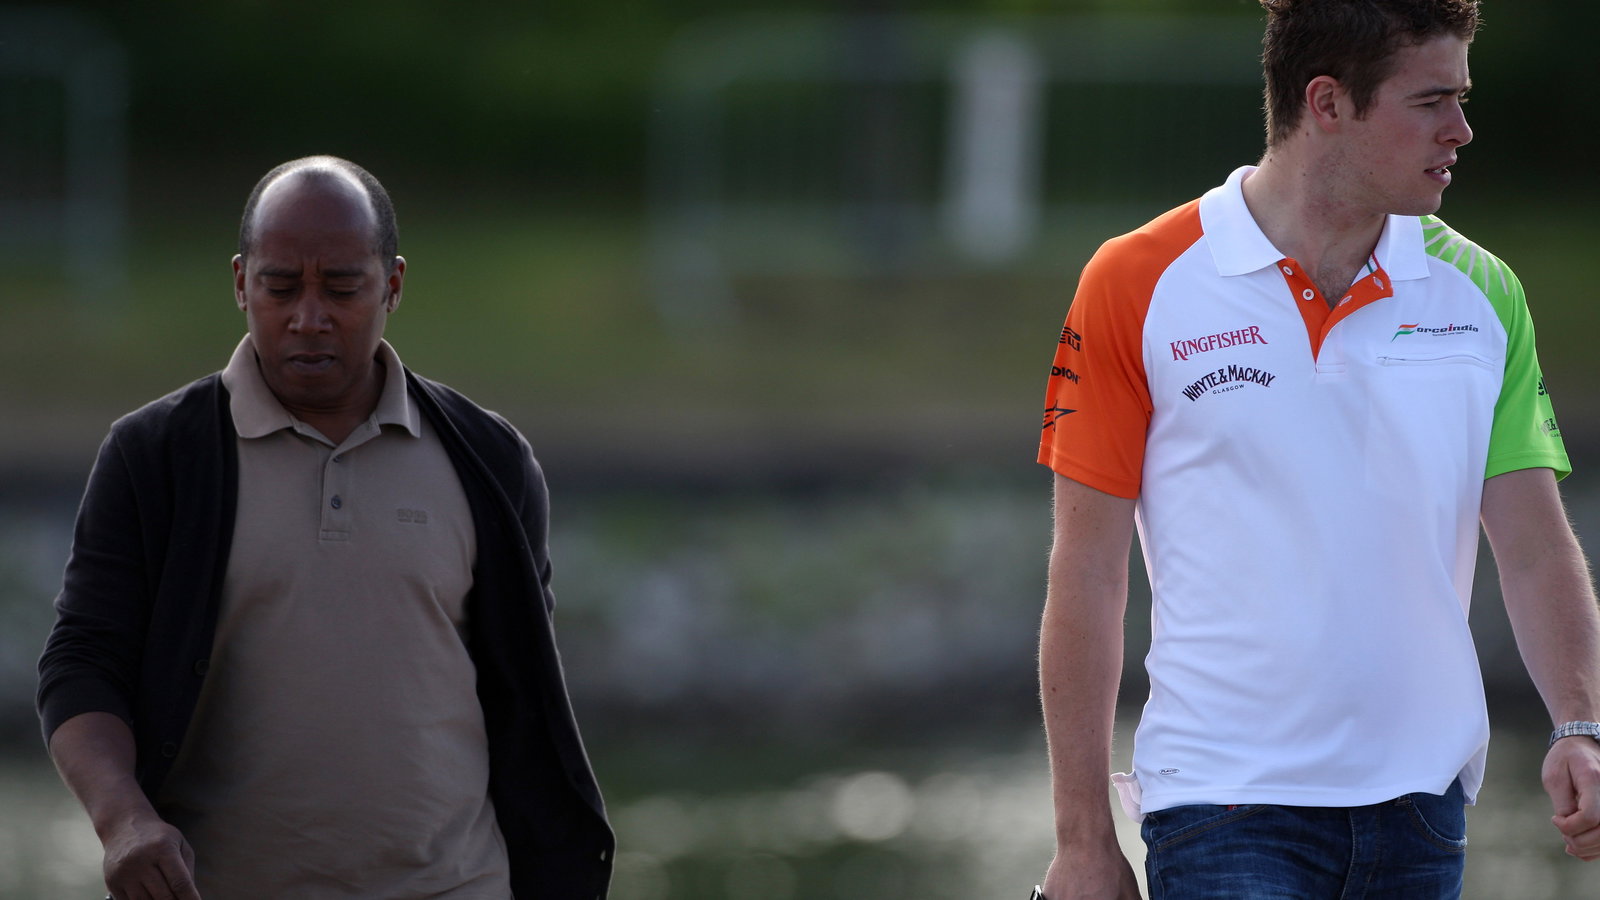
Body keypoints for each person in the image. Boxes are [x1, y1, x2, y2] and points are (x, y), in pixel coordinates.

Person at [1033, 2, 1600, 897]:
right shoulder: (1134, 282)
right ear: (1327, 103)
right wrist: (1082, 840)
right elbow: (1089, 575)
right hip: (1223, 806)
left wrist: (1579, 725)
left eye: (1462, 98)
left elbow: (1533, 546)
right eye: (1431, 102)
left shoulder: (1484, 293)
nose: (1462, 130)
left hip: (1423, 811)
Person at [36, 156, 614, 899]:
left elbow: (522, 693)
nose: (309, 316)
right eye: (280, 286)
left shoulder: (489, 460)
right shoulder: (156, 458)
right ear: (241, 283)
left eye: (343, 287)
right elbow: (82, 661)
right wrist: (124, 821)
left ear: (394, 285)